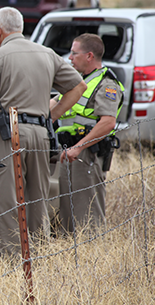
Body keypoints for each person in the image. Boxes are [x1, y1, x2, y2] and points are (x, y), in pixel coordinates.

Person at [0, 6, 87, 255]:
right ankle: (38, 254)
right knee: (37, 197)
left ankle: (15, 260)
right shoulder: (47, 53)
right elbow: (79, 86)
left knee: (7, 198)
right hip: (41, 135)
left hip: (9, 133)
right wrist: (50, 116)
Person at [52, 33, 124, 233]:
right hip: (68, 151)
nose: (70, 58)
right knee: (67, 208)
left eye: (74, 54)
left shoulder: (106, 84)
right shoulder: (79, 81)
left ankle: (89, 252)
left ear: (89, 56)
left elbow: (108, 123)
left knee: (87, 212)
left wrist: (77, 148)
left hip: (86, 154)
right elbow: (54, 104)